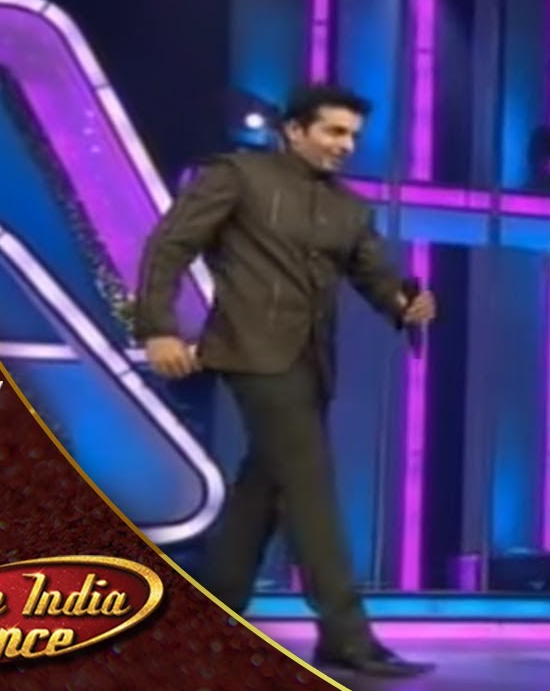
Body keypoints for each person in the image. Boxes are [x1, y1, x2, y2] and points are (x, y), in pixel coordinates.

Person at [135, 84, 436, 678]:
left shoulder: (349, 209)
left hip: (312, 363)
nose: (345, 145)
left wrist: (405, 305)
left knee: (265, 487)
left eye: (353, 136)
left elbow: (377, 276)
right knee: (310, 487)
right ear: (294, 130)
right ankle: (346, 635)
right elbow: (170, 245)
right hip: (251, 351)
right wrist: (159, 328)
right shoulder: (239, 176)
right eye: (333, 131)